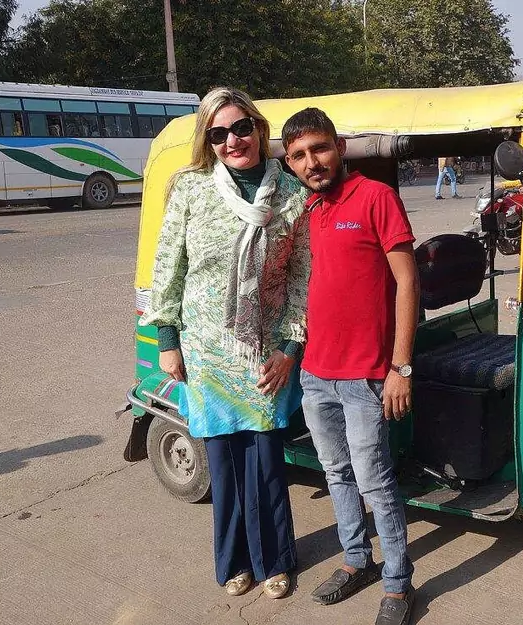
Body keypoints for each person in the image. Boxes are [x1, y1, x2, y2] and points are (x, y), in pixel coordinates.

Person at [139, 87, 309, 601]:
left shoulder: (292, 193)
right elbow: (168, 267)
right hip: (206, 353)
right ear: (208, 141)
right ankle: (235, 562)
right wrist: (167, 341)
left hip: (265, 356)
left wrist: (288, 349)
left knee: (266, 464)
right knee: (224, 465)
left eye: (240, 128)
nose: (232, 141)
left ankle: (275, 561)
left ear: (258, 128)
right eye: (218, 134)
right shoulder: (190, 189)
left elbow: (302, 280)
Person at [282, 107, 419, 625]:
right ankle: (356, 559)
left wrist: (400, 367)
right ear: (290, 163)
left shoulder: (375, 197)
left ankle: (398, 584)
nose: (312, 162)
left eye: (319, 148)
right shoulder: (306, 210)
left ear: (338, 147)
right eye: (299, 155)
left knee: (374, 482)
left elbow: (407, 281)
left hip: (366, 377)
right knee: (336, 473)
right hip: (316, 375)